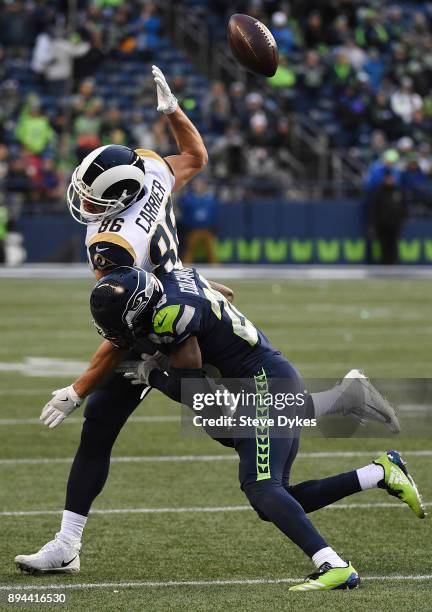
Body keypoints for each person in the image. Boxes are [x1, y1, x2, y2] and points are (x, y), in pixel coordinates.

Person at [50, 266, 422, 591]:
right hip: (259, 380)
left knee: (262, 487)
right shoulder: (169, 281)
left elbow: (190, 389)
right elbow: (223, 292)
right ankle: (378, 472)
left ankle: (334, 565)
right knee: (275, 497)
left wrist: (151, 373)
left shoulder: (171, 317)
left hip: (263, 385)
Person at [14, 65, 234, 575]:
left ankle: (341, 412)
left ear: (119, 196)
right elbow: (198, 156)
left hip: (167, 324)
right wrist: (173, 111)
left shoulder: (111, 244)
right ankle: (67, 542)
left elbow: (121, 332)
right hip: (180, 300)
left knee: (235, 430)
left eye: (95, 197)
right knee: (102, 428)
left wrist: (76, 388)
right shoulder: (151, 168)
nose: (85, 202)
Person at [368, 169, 406, 264]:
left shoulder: (398, 190)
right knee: (383, 246)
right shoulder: (378, 191)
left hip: (395, 224)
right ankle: (384, 265)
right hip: (382, 224)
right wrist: (374, 223)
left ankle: (393, 265)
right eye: (388, 178)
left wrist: (402, 217)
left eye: (391, 178)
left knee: (393, 245)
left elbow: (404, 205)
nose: (390, 180)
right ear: (384, 179)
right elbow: (374, 208)